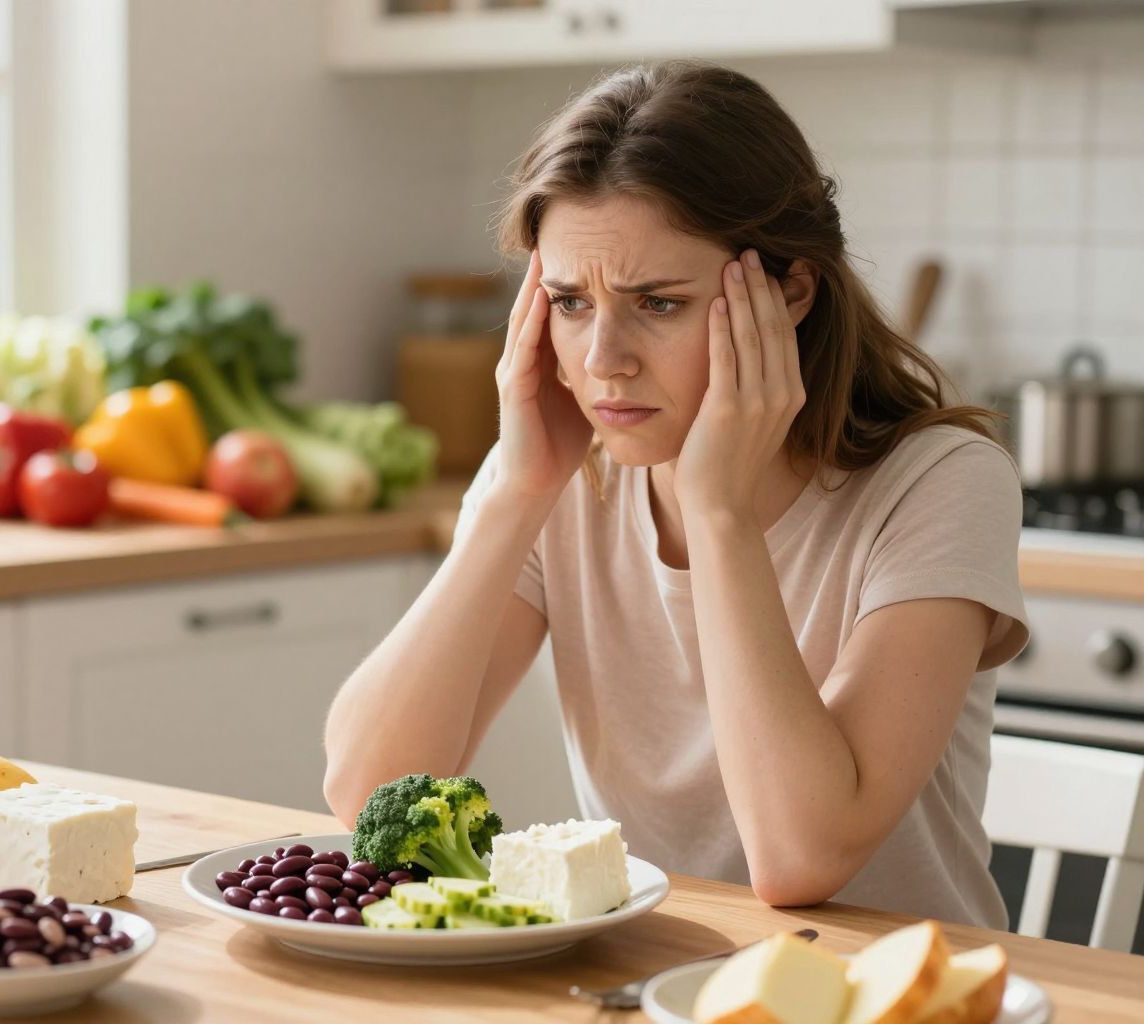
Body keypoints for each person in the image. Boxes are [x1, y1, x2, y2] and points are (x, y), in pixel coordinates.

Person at [322, 61, 1029, 929]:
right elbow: (365, 796)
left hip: (898, 996)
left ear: (792, 291)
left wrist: (720, 514)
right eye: (571, 302)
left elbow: (803, 858)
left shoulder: (942, 481)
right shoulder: (561, 472)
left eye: (658, 303)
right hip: (646, 984)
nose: (603, 359)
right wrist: (516, 492)